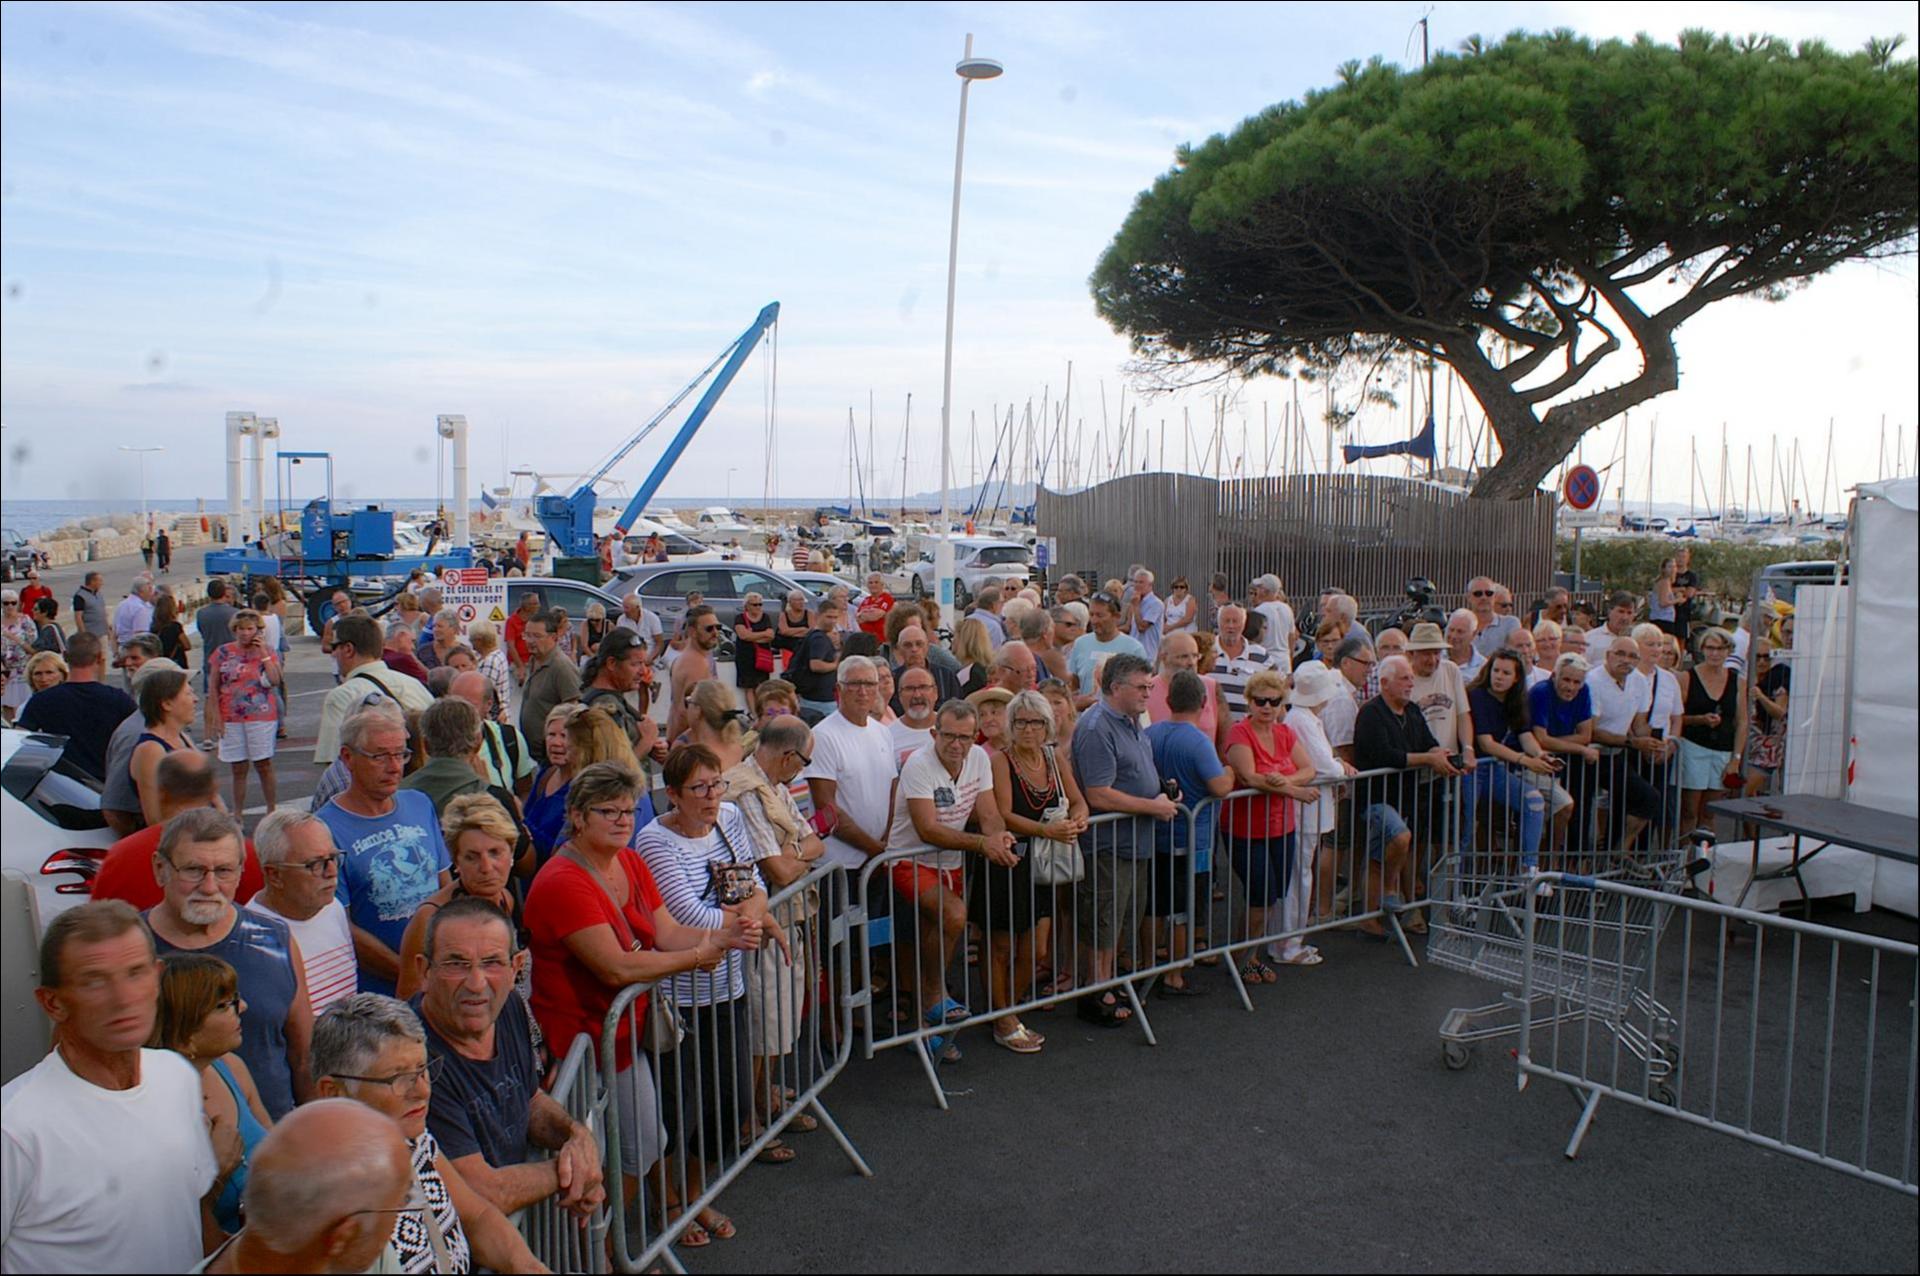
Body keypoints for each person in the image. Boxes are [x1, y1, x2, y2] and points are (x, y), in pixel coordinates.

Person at [523, 763, 746, 1242]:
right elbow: (616, 967)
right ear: (578, 816)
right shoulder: (563, 880)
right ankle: (595, 1253)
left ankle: (610, 1244)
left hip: (622, 1038)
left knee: (646, 1143)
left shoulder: (628, 862)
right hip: (576, 1048)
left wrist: (723, 935)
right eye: (610, 811)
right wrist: (697, 956)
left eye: (628, 810)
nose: (624, 820)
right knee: (589, 1160)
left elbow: (665, 932)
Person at [4, 901, 221, 1274]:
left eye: (135, 973)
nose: (123, 998)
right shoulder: (15, 1128)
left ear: (157, 977)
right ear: (53, 1002)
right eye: (94, 981)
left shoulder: (177, 1076)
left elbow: (192, 1212)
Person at [640, 744, 789, 1203]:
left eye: (716, 784)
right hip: (679, 999)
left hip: (728, 989)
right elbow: (683, 916)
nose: (711, 797)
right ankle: (669, 1203)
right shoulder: (653, 840)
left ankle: (696, 1195)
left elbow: (754, 886)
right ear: (673, 794)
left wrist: (754, 915)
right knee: (678, 1109)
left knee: (730, 1106)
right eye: (699, 788)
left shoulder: (728, 817)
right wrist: (751, 923)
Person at [310, 994, 546, 1274]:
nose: (422, 1090)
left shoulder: (413, 1141)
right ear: (333, 1092)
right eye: (398, 1079)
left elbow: (477, 1218)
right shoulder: (323, 1208)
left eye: (423, 1070)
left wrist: (529, 1266)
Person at [411, 892, 605, 1218]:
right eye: (456, 964)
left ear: (516, 967)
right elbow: (484, 1191)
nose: (476, 983)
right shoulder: (413, 1060)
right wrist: (575, 1171)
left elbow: (529, 1100)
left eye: (492, 963)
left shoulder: (508, 1005)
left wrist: (577, 1135)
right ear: (424, 971)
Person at [145, 807, 313, 1120]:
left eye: (224, 871)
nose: (209, 887)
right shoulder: (131, 953)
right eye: (193, 870)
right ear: (160, 869)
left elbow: (303, 1056)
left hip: (271, 1146)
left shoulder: (275, 939)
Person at [887, 700, 1016, 1056]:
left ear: (975, 737)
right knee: (954, 915)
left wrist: (998, 835)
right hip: (908, 859)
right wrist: (982, 843)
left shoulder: (978, 759)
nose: (957, 745)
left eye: (964, 737)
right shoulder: (918, 764)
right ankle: (933, 995)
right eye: (949, 737)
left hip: (952, 861)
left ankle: (926, 1024)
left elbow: (989, 813)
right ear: (934, 734)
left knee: (937, 930)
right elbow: (928, 829)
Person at [316, 705, 454, 996]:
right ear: (347, 757)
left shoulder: (419, 803)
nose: (394, 767)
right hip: (379, 992)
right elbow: (341, 926)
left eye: (401, 754)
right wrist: (410, 974)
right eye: (380, 756)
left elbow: (446, 888)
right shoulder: (323, 829)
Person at [1071, 653, 1178, 1027]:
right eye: (1142, 687)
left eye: (1151, 686)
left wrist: (1161, 795)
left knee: (1120, 921)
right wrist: (1151, 806)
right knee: (1103, 922)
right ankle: (1096, 993)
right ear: (1116, 688)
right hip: (1109, 845)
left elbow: (1135, 774)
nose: (1149, 692)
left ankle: (1107, 985)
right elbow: (1098, 793)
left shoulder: (1132, 721)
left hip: (1134, 841)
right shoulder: (1097, 726)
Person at [196, 1100, 414, 1275]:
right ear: (341, 1238)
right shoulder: (359, 1238)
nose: (400, 1213)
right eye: (397, 1205)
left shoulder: (362, 1240)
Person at [152, 952, 275, 1237]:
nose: (242, 1007)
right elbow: (166, 1228)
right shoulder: (157, 1111)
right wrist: (216, 1175)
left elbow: (276, 1145)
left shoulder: (230, 1065)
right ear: (184, 1033)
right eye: (225, 1005)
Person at [1351, 655, 1465, 936]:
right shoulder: (1371, 713)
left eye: (1411, 678)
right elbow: (1386, 756)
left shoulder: (1412, 711)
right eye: (1404, 678)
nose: (1410, 683)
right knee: (1400, 836)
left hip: (1405, 797)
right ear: (1385, 683)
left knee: (1379, 856)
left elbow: (1429, 742)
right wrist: (1428, 759)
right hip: (1375, 798)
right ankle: (1391, 889)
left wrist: (1441, 754)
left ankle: (1370, 918)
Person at [1221, 669, 1318, 982]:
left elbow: (1309, 769)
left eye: (1274, 701)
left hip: (1281, 827)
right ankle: (1243, 960)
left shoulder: (1286, 733)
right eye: (1260, 701)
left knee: (1270, 896)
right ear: (1249, 702)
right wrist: (1293, 790)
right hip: (1244, 828)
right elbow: (1248, 777)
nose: (1266, 707)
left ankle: (1247, 955)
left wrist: (1284, 780)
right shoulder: (1239, 733)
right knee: (1260, 897)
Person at [1143, 671, 1233, 993]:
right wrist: (1231, 770)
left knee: (1153, 904)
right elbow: (1220, 787)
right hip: (1192, 839)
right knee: (1184, 909)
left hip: (1156, 834)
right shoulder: (1198, 741)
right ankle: (1174, 975)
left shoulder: (1149, 733)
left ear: (1168, 701)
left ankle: (1149, 965)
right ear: (1204, 702)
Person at [94, 748, 268, 906]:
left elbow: (99, 924)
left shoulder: (122, 855)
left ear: (160, 791)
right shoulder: (245, 854)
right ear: (213, 790)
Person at [247, 808, 359, 1017]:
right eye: (315, 864)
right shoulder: (251, 938)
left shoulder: (332, 907)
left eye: (333, 858)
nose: (332, 872)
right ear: (275, 875)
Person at [1465, 650, 1561, 871]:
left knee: (1534, 802)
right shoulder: (1478, 696)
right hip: (1472, 768)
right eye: (1495, 670)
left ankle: (1529, 868)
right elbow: (1486, 743)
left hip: (1494, 768)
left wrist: (1540, 755)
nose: (1499, 676)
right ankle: (1460, 885)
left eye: (1506, 673)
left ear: (1516, 678)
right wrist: (1525, 761)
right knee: (1467, 825)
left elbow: (1525, 735)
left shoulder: (1517, 700)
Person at [801, 656, 897, 874]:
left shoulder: (883, 732)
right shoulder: (822, 736)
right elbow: (827, 808)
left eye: (869, 684)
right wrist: (875, 848)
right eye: (854, 684)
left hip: (879, 859)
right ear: (839, 689)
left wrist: (885, 844)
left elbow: (892, 792)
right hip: (839, 865)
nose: (862, 691)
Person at [313, 614, 433, 764]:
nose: (333, 653)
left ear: (348, 649)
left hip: (377, 785)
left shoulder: (342, 696)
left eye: (334, 646)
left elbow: (335, 762)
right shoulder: (413, 685)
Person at [17, 631, 135, 780]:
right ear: (99, 657)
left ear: (65, 656)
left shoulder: (41, 700)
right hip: (107, 782)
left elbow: (19, 741)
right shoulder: (119, 699)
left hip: (59, 785)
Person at [1586, 634, 1662, 852]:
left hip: (1617, 753)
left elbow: (1640, 723)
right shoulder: (1594, 680)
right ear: (1608, 655)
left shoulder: (1639, 680)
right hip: (1589, 755)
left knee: (1648, 798)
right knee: (1581, 812)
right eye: (1620, 654)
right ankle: (1575, 864)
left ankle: (1619, 851)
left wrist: (1652, 746)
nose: (1626, 660)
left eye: (1632, 656)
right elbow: (1591, 731)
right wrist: (1634, 742)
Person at [207, 608, 283, 818]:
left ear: (257, 630)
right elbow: (213, 686)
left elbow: (275, 680)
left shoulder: (267, 650)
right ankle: (238, 813)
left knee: (263, 764)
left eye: (249, 629)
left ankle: (271, 809)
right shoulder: (222, 652)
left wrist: (264, 655)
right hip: (231, 715)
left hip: (261, 715)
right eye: (241, 629)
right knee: (238, 767)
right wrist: (215, 717)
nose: (245, 633)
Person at [1530, 654, 1602, 854]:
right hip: (1533, 761)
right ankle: (1543, 862)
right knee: (1560, 806)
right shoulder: (1541, 692)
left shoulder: (1584, 691)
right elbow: (1541, 739)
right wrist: (1579, 748)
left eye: (1576, 682)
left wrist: (1556, 742)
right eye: (1566, 680)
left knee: (1574, 804)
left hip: (1560, 762)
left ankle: (1563, 859)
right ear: (1554, 676)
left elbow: (1585, 734)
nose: (1571, 687)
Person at [1678, 627, 1745, 831]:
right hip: (1693, 747)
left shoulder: (1738, 681)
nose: (1715, 653)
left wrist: (1736, 759)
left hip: (1723, 750)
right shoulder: (1687, 677)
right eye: (1710, 648)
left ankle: (1704, 858)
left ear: (1728, 651)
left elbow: (1742, 722)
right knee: (1689, 810)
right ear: (1702, 650)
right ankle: (1684, 856)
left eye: (1721, 648)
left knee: (1709, 812)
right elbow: (1676, 718)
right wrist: (1700, 719)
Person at [127, 665, 199, 827]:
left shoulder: (183, 738)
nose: (195, 699)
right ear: (166, 704)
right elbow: (155, 819)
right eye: (188, 693)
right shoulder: (151, 750)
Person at [1147, 630, 1230, 758]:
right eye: (1183, 657)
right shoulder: (1147, 691)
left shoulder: (1211, 687)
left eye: (1195, 656)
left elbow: (1225, 742)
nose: (1191, 662)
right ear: (1164, 658)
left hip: (1207, 772)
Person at [517, 612, 581, 767]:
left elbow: (573, 710)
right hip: (532, 751)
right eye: (527, 635)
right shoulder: (534, 660)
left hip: (551, 754)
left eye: (537, 636)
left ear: (553, 637)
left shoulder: (561, 667)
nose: (530, 641)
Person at [523, 703, 587, 861]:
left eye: (564, 736)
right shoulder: (545, 775)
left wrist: (519, 820)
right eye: (551, 735)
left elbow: (560, 850)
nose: (556, 742)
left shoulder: (584, 789)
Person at [1067, 590, 1147, 709]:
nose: (1094, 621)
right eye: (1091, 614)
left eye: (1100, 615)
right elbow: (1073, 684)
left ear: (1116, 617)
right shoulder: (1080, 643)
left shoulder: (1134, 648)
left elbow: (1142, 691)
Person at [666, 604, 723, 739]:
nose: (715, 632)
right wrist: (682, 745)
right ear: (692, 631)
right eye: (709, 629)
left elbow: (674, 708)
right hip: (691, 745)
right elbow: (685, 713)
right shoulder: (697, 664)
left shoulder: (685, 657)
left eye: (717, 627)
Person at [1211, 603, 1275, 720]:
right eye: (1226, 621)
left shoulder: (1260, 655)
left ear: (1244, 624)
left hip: (1246, 729)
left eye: (1235, 621)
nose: (1231, 626)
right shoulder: (1206, 652)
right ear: (1219, 623)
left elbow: (1276, 690)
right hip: (1211, 728)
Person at [1743, 639, 1790, 797]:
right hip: (1746, 743)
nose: (1762, 661)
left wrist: (1761, 697)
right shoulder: (1745, 678)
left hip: (1768, 748)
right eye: (1757, 657)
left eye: (1767, 657)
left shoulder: (1779, 677)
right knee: (1745, 794)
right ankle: (1751, 822)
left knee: (1746, 790)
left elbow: (1779, 712)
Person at [680, 678, 750, 770]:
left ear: (698, 710)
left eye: (689, 701)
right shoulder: (737, 748)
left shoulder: (693, 759)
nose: (687, 707)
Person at [891, 622, 961, 705]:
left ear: (927, 646)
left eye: (919, 644)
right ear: (899, 649)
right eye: (907, 645)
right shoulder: (893, 679)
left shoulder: (946, 676)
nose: (914, 649)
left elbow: (958, 709)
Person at [1249, 574, 1297, 673]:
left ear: (1264, 591)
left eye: (1259, 587)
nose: (1257, 591)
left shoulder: (1259, 611)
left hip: (1266, 659)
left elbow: (1254, 638)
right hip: (1284, 659)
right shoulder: (1287, 609)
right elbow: (1292, 637)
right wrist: (1289, 657)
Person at [1463, 575, 1521, 656]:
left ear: (1494, 597)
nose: (1484, 597)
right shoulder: (1461, 624)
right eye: (1478, 594)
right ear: (1468, 597)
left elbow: (1513, 654)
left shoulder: (1510, 623)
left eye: (1489, 593)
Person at [1120, 567, 1165, 662]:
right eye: (1135, 582)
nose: (1137, 585)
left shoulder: (1155, 603)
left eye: (1141, 582)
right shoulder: (1136, 601)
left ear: (1150, 585)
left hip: (1148, 653)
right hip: (1133, 651)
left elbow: (1142, 627)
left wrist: (1136, 606)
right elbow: (1129, 627)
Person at [1586, 591, 1640, 663]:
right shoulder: (1590, 638)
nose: (1625, 617)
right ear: (1609, 611)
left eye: (1629, 613)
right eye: (1621, 611)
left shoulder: (1639, 640)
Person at [114, 577, 157, 655]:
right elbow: (141, 634)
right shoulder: (140, 608)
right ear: (141, 591)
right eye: (149, 590)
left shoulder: (122, 604)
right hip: (134, 648)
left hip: (123, 645)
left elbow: (115, 629)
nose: (151, 593)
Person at [72, 568, 112, 647]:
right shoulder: (80, 596)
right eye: (99, 581)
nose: (101, 583)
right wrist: (83, 634)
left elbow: (103, 612)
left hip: (102, 632)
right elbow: (78, 617)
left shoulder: (98, 594)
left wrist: (108, 629)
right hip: (90, 634)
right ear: (92, 581)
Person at [1444, 609, 1486, 680]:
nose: (1453, 636)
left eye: (1460, 632)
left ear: (1473, 634)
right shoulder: (1436, 658)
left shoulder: (1482, 667)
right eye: (1451, 630)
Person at [152, 591, 190, 666]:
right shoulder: (175, 626)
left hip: (161, 664)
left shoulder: (153, 627)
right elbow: (187, 646)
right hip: (176, 662)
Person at [1671, 545, 1700, 644]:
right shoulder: (1669, 574)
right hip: (1667, 613)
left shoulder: (1692, 576)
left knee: (1681, 641)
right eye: (1678, 556)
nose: (1680, 559)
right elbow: (1664, 590)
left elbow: (1690, 593)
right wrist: (1681, 589)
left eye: (1683, 557)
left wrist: (1676, 592)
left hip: (1683, 613)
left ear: (1688, 559)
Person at [855, 571, 895, 642]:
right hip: (865, 640)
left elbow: (876, 616)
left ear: (882, 585)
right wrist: (868, 614)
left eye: (876, 582)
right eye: (870, 583)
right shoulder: (866, 600)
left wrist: (864, 614)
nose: (873, 585)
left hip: (881, 640)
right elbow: (857, 618)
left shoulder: (887, 598)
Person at [1648, 557, 1680, 638]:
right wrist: (1678, 600)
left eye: (1674, 566)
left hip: (1663, 619)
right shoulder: (1664, 582)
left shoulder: (1666, 583)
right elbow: (1663, 603)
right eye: (1670, 567)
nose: (1673, 569)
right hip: (1662, 619)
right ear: (1664, 569)